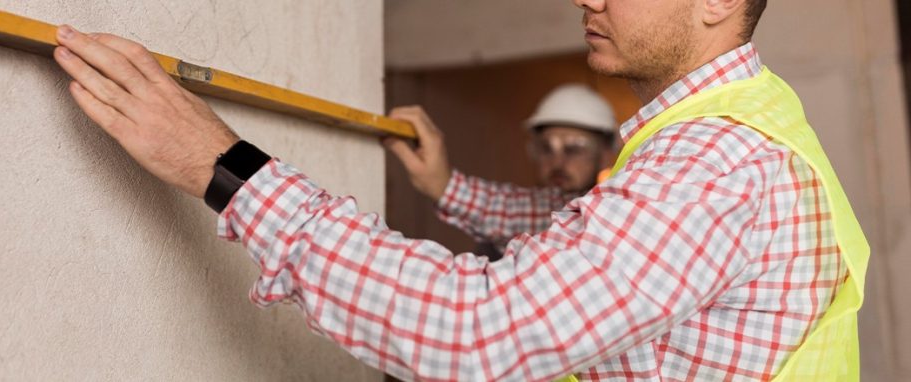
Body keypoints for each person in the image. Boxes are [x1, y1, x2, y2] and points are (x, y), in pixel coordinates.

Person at [50, 0, 869, 380]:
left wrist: (223, 167)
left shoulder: (713, 164)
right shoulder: (748, 125)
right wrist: (450, 186)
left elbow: (476, 329)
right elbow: (571, 228)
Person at [467, 85, 620, 261]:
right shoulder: (498, 240)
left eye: (574, 149)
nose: (557, 162)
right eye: (546, 148)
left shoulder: (613, 220)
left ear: (606, 156)